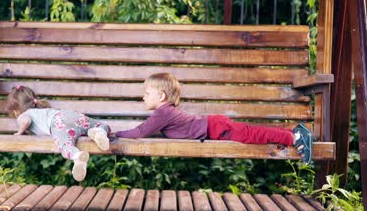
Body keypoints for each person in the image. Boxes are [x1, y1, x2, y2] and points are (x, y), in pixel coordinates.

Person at [115, 73, 314, 164]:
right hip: (212, 128)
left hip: (214, 128)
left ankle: (295, 137)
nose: (143, 97)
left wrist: (115, 134)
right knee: (251, 133)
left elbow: (141, 131)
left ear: (161, 96)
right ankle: (293, 134)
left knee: (252, 134)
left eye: (147, 93)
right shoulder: (165, 112)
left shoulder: (163, 112)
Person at [6, 85, 111, 181]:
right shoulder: (44, 111)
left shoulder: (23, 115)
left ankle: (77, 156)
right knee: (98, 125)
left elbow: (26, 121)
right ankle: (99, 132)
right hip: (71, 114)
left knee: (65, 145)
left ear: (15, 110)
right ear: (33, 101)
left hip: (59, 123)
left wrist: (19, 133)